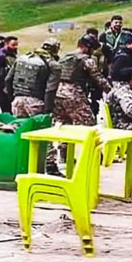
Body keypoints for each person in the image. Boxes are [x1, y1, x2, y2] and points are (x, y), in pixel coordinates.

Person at [50, 35, 111, 175]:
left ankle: (65, 154)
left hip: (58, 94)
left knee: (66, 125)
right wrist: (111, 91)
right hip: (74, 94)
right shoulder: (86, 60)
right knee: (89, 124)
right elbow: (98, 78)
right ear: (86, 47)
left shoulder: (65, 57)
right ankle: (94, 155)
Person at [6, 38, 60, 118]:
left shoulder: (22, 58)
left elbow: (8, 79)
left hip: (17, 101)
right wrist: (48, 110)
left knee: (20, 125)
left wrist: (12, 97)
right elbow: (50, 89)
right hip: (36, 103)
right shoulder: (53, 65)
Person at [0, 35, 18, 113]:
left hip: (11, 88)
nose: (15, 47)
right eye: (13, 45)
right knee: (6, 111)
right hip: (2, 89)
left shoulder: (13, 55)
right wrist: (2, 86)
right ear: (7, 44)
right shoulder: (0, 56)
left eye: (16, 45)